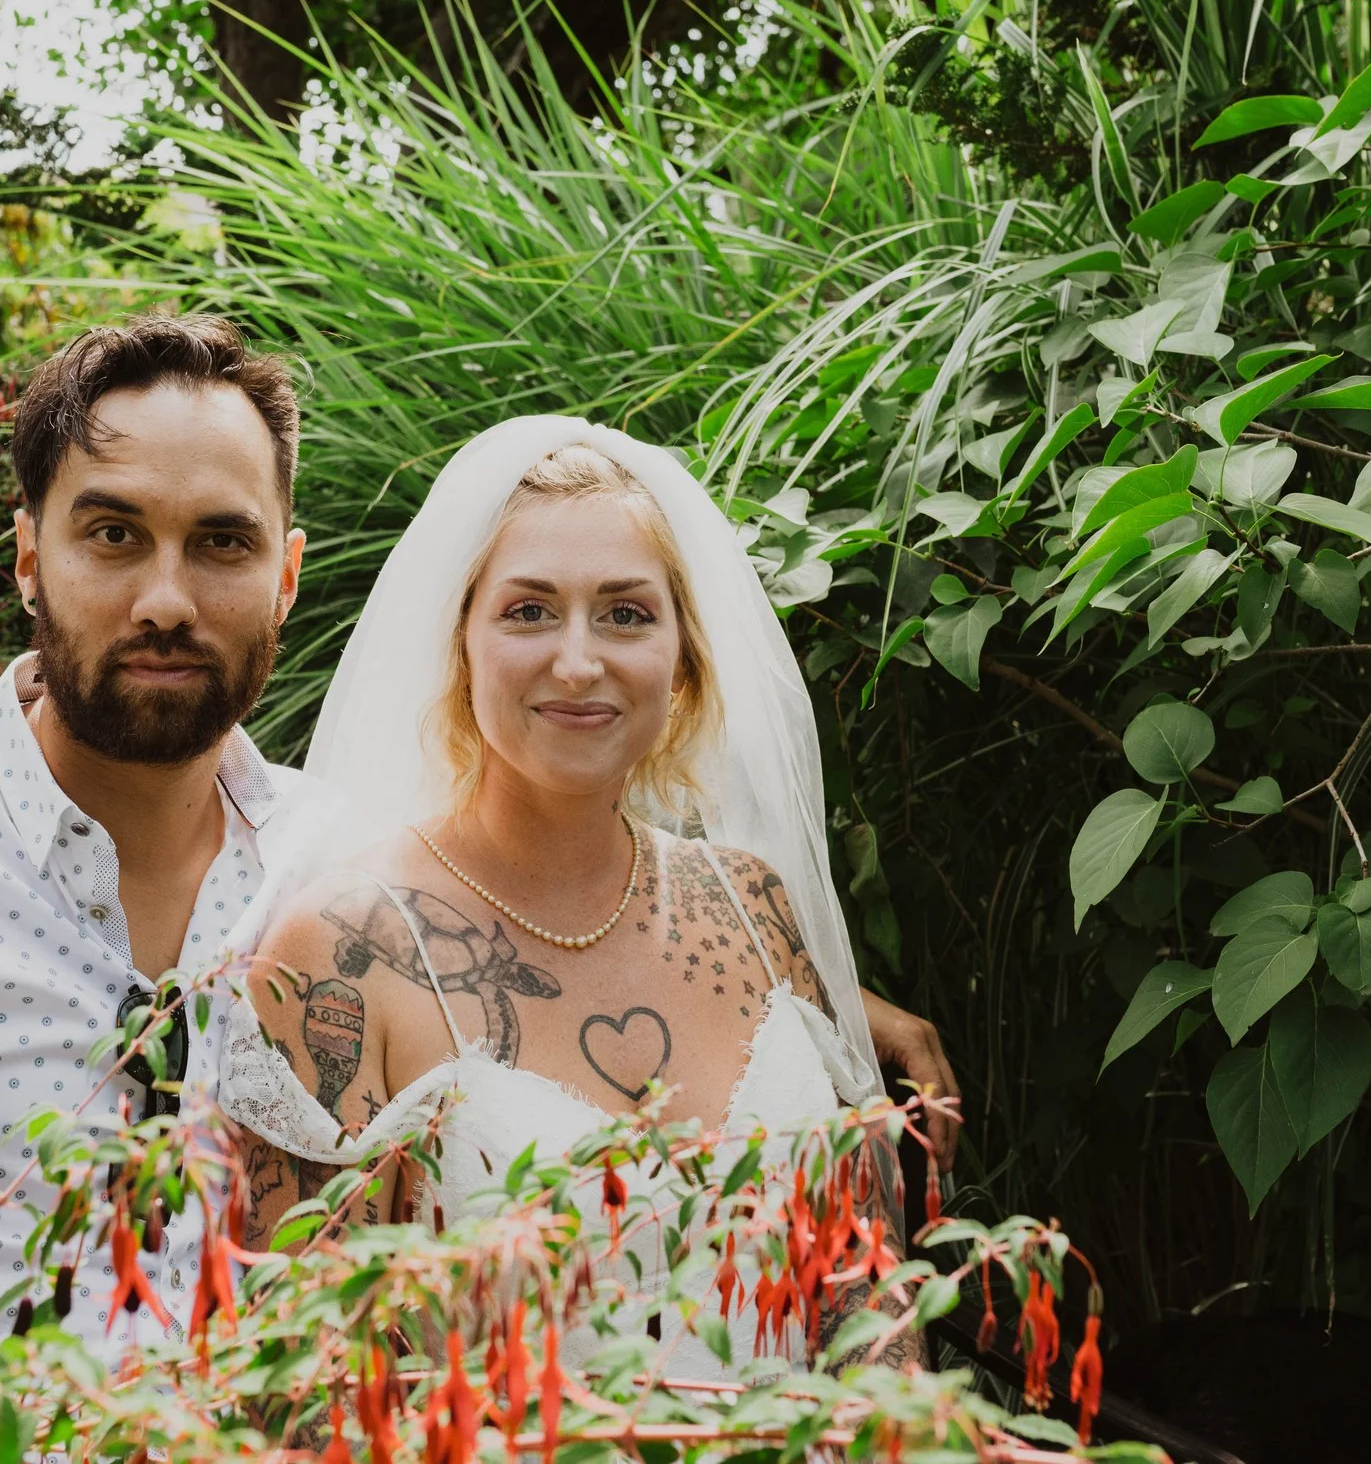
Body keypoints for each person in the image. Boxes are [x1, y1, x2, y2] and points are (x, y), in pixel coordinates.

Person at [0, 318, 955, 1394]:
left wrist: (833, 1006)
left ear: (289, 575)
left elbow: (559, 917)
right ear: (27, 555)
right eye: (113, 531)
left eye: (223, 542)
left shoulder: (339, 849)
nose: (168, 595)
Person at [217, 418, 944, 1372]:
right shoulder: (340, 951)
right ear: (461, 644)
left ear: (682, 659)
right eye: (527, 611)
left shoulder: (754, 910)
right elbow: (301, 1384)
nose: (578, 659)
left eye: (626, 612)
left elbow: (864, 1296)